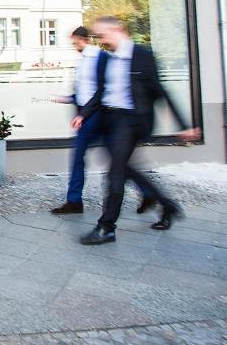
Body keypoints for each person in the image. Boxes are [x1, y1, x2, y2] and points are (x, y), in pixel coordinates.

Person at [76, 16, 201, 245]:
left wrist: (183, 125)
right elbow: (101, 91)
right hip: (110, 120)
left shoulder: (142, 54)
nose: (100, 40)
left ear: (118, 29)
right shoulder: (109, 59)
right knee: (127, 169)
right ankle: (167, 205)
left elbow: (160, 90)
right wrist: (83, 114)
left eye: (102, 34)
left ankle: (106, 227)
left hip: (131, 121)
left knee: (115, 173)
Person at [50, 27, 156, 215]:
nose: (74, 46)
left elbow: (103, 90)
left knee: (102, 159)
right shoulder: (82, 62)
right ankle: (147, 193)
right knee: (108, 160)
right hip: (88, 115)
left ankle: (76, 201)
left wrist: (84, 115)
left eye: (75, 42)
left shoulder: (102, 58)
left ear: (84, 40)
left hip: (99, 117)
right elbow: (85, 91)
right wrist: (69, 99)